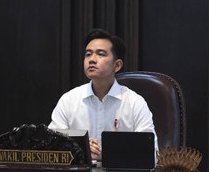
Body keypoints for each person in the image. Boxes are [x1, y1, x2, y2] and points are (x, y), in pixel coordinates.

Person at [49, 29, 156, 161]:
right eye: (88, 54)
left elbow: (151, 154)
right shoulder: (69, 100)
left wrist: (107, 154)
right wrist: (80, 149)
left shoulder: (134, 103)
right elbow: (51, 146)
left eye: (101, 54)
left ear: (117, 65)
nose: (92, 60)